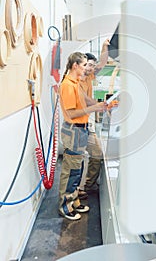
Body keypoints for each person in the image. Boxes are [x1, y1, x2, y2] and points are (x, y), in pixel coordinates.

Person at [58, 51, 107, 220]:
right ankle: (65, 206)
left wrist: (98, 105)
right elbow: (71, 114)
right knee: (71, 170)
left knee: (77, 169)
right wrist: (94, 108)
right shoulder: (68, 85)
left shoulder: (77, 82)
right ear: (75, 66)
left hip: (82, 128)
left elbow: (85, 101)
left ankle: (74, 200)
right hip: (73, 130)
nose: (87, 68)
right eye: (85, 65)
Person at [79, 39, 109, 195]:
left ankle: (87, 185)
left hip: (87, 125)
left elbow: (102, 64)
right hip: (77, 126)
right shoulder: (76, 81)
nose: (90, 68)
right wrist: (100, 105)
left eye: (92, 65)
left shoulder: (89, 77)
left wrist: (104, 46)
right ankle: (78, 190)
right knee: (77, 162)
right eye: (88, 65)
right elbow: (85, 100)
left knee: (96, 154)